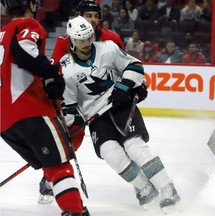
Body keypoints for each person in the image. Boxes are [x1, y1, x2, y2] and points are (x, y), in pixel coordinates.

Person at [60, 16, 181, 212]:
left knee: (135, 148)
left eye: (89, 38)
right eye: (81, 40)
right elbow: (70, 107)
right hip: (97, 118)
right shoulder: (66, 69)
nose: (86, 43)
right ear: (72, 41)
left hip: (121, 105)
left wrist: (123, 87)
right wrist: (68, 126)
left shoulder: (107, 48)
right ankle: (145, 188)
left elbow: (134, 65)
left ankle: (168, 189)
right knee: (111, 155)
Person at [0, 0, 89, 215]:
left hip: (5, 122)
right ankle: (74, 211)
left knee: (50, 164)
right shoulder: (28, 25)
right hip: (29, 111)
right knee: (59, 164)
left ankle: (72, 206)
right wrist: (50, 73)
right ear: (31, 4)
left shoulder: (1, 33)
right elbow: (23, 51)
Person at [39, 0, 125, 205]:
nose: (93, 20)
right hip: (74, 99)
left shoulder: (111, 38)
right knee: (70, 138)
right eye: (89, 16)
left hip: (105, 99)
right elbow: (55, 72)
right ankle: (50, 175)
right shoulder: (64, 40)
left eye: (96, 16)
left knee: (125, 139)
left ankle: (142, 184)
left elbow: (125, 65)